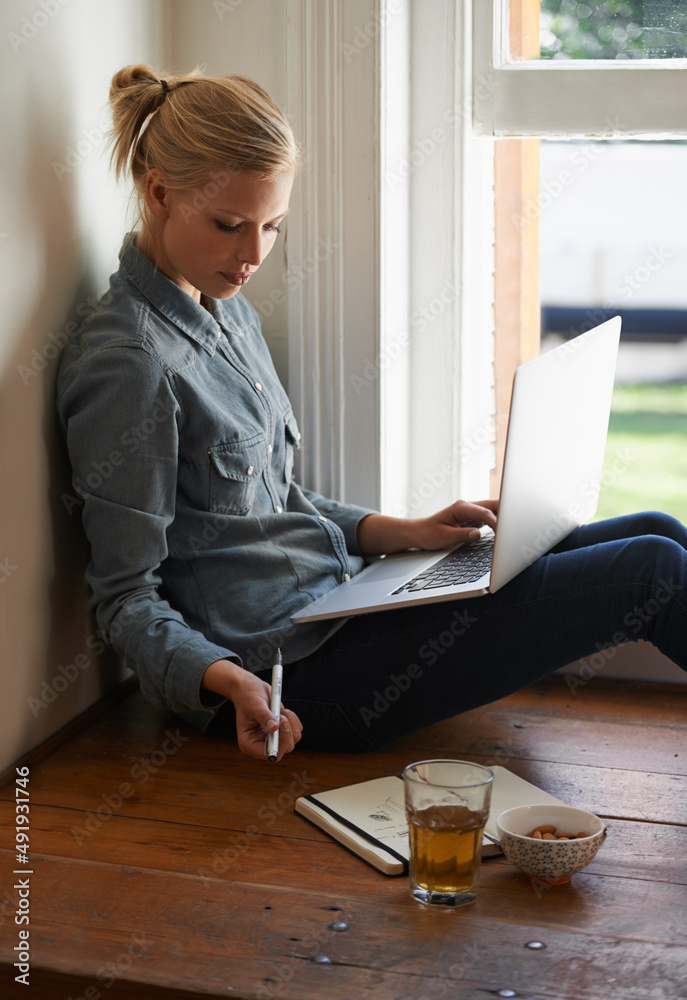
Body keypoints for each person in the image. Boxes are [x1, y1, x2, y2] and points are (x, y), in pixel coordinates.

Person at [57, 65, 687, 763]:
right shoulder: (126, 364)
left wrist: (401, 532)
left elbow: (272, 501)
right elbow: (125, 599)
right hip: (291, 678)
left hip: (340, 606)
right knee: (649, 572)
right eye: (230, 225)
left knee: (658, 528)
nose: (253, 256)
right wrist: (223, 679)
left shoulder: (221, 310)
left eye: (271, 225)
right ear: (159, 192)